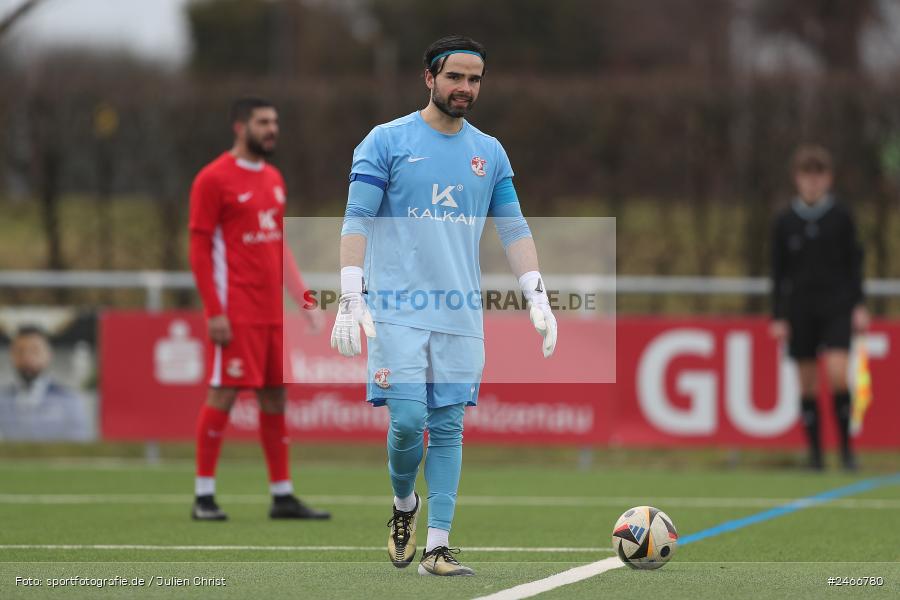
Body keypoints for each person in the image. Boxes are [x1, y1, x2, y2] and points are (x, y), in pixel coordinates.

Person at [331, 35, 557, 576]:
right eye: (455, 77)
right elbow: (356, 220)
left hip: (459, 315)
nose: (465, 88)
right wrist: (348, 292)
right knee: (408, 423)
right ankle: (404, 505)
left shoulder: (491, 152)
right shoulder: (385, 142)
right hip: (396, 312)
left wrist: (538, 295)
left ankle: (437, 546)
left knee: (449, 426)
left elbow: (513, 227)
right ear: (429, 78)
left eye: (474, 78)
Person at [188, 97, 329, 521]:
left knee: (274, 396)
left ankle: (282, 495)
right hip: (236, 309)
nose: (272, 129)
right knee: (224, 393)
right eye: (263, 122)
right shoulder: (212, 180)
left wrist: (303, 300)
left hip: (270, 313)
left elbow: (278, 245)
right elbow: (198, 248)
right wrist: (214, 310)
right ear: (239, 127)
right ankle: (204, 496)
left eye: (275, 121)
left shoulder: (273, 178)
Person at [770, 144, 869, 471]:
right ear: (797, 179)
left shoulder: (841, 217)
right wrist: (778, 315)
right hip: (800, 309)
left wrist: (859, 304)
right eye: (806, 176)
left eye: (818, 175)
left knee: (839, 374)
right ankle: (815, 455)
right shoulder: (785, 220)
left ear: (828, 179)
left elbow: (855, 264)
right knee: (807, 381)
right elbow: (778, 272)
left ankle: (846, 450)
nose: (812, 183)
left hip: (837, 306)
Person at [0, 325, 92, 442]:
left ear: (48, 354)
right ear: (12, 355)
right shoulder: (2, 400)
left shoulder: (69, 401)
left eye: (35, 350)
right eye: (20, 351)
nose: (27, 357)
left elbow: (79, 444)